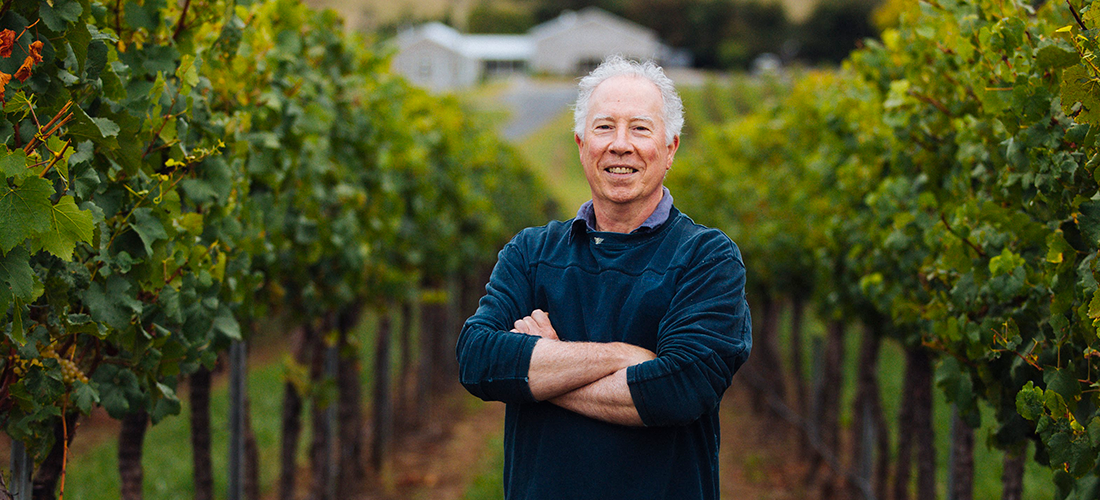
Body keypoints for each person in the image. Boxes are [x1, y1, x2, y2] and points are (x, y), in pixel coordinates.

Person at [455, 55, 752, 500]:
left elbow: (681, 387)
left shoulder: (706, 257)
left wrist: (539, 369)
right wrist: (624, 356)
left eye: (640, 128)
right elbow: (479, 360)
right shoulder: (531, 253)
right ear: (580, 145)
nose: (620, 144)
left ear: (670, 149)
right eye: (604, 127)